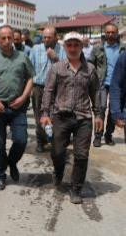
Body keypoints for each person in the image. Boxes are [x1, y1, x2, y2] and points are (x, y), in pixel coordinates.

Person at [41, 32, 102, 204]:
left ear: (82, 47)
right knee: (58, 152)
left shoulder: (90, 69)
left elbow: (96, 92)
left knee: (81, 155)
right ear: (65, 47)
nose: (73, 48)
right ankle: (58, 170)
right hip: (61, 117)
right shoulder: (57, 67)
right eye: (69, 45)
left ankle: (76, 188)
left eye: (76, 45)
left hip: (83, 118)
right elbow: (48, 92)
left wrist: (98, 115)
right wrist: (45, 113)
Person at [0, 26, 34, 191]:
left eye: (9, 37)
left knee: (21, 140)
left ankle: (11, 162)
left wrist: (23, 97)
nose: (6, 41)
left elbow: (30, 78)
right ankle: (0, 176)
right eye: (2, 38)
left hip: (18, 107)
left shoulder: (23, 57)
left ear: (14, 38)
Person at [29, 27, 66, 152]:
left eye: (49, 37)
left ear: (56, 37)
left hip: (57, 89)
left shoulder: (62, 50)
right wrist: (30, 88)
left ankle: (54, 139)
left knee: (56, 116)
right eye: (44, 37)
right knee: (39, 116)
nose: (46, 40)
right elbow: (29, 69)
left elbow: (67, 70)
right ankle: (41, 141)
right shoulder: (35, 49)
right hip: (39, 88)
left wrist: (55, 58)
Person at [88, 23, 126, 147]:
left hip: (119, 85)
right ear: (105, 33)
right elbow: (90, 64)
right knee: (101, 109)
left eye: (113, 32)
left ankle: (108, 135)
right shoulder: (98, 48)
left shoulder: (123, 49)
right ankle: (98, 136)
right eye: (108, 32)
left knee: (114, 112)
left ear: (117, 34)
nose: (110, 34)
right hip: (102, 84)